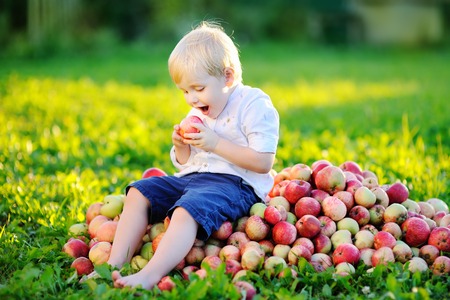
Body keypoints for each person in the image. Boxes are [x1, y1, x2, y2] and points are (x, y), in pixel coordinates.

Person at [86, 21, 279, 290]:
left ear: (228, 77)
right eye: (185, 91)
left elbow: (263, 162)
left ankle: (149, 275)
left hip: (236, 185)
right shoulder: (199, 111)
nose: (191, 99)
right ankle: (114, 264)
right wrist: (181, 146)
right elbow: (187, 163)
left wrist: (215, 143)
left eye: (198, 89)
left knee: (187, 209)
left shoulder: (254, 105)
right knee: (139, 192)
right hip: (194, 178)